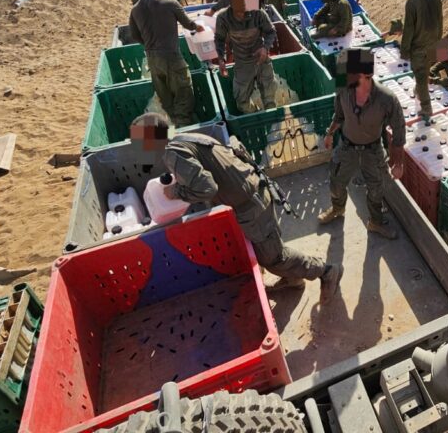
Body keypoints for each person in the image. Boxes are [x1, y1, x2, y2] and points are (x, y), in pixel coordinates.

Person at [130, 112, 342, 303]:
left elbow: (207, 188)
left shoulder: (172, 154)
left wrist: (175, 192)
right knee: (270, 250)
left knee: (274, 258)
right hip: (252, 194)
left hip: (252, 207)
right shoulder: (186, 139)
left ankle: (326, 271)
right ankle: (293, 279)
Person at [318, 49, 406, 239]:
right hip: (347, 146)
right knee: (336, 182)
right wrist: (329, 133)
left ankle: (375, 222)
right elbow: (339, 115)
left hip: (372, 150)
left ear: (366, 75)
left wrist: (398, 162)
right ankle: (337, 209)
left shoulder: (387, 99)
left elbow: (399, 131)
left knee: (376, 190)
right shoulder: (343, 88)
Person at [128, 0, 201, 127]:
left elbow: (134, 36)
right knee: (183, 94)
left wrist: (149, 44)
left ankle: (174, 124)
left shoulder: (135, 9)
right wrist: (199, 27)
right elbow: (189, 24)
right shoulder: (169, 3)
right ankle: (184, 130)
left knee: (166, 99)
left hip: (153, 61)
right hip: (171, 57)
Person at [214, 0, 278, 112]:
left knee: (270, 100)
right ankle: (256, 114)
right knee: (242, 103)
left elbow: (270, 32)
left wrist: (265, 48)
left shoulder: (257, 11)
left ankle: (270, 121)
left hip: (262, 60)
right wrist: (221, 59)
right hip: (242, 63)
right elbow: (219, 39)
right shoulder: (223, 17)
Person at [399, 0, 443, 121]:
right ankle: (419, 90)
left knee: (420, 75)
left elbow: (409, 29)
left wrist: (404, 50)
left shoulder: (412, 3)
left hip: (419, 47)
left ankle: (426, 108)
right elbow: (440, 23)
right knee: (425, 70)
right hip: (434, 43)